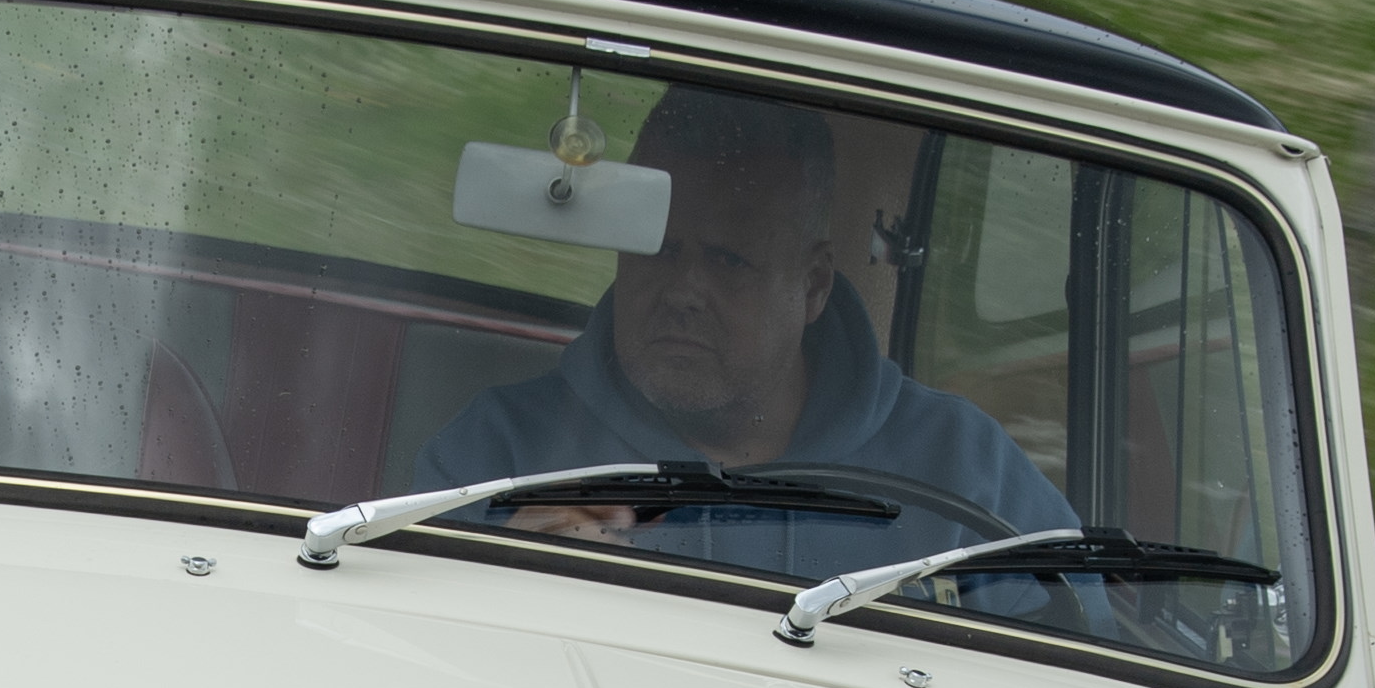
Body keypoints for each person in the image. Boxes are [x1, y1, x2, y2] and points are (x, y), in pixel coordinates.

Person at [415, 87, 1074, 584]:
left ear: (813, 285)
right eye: (658, 248)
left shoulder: (964, 470)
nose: (682, 291)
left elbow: (1076, 671)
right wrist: (510, 576)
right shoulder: (497, 453)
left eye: (728, 259)